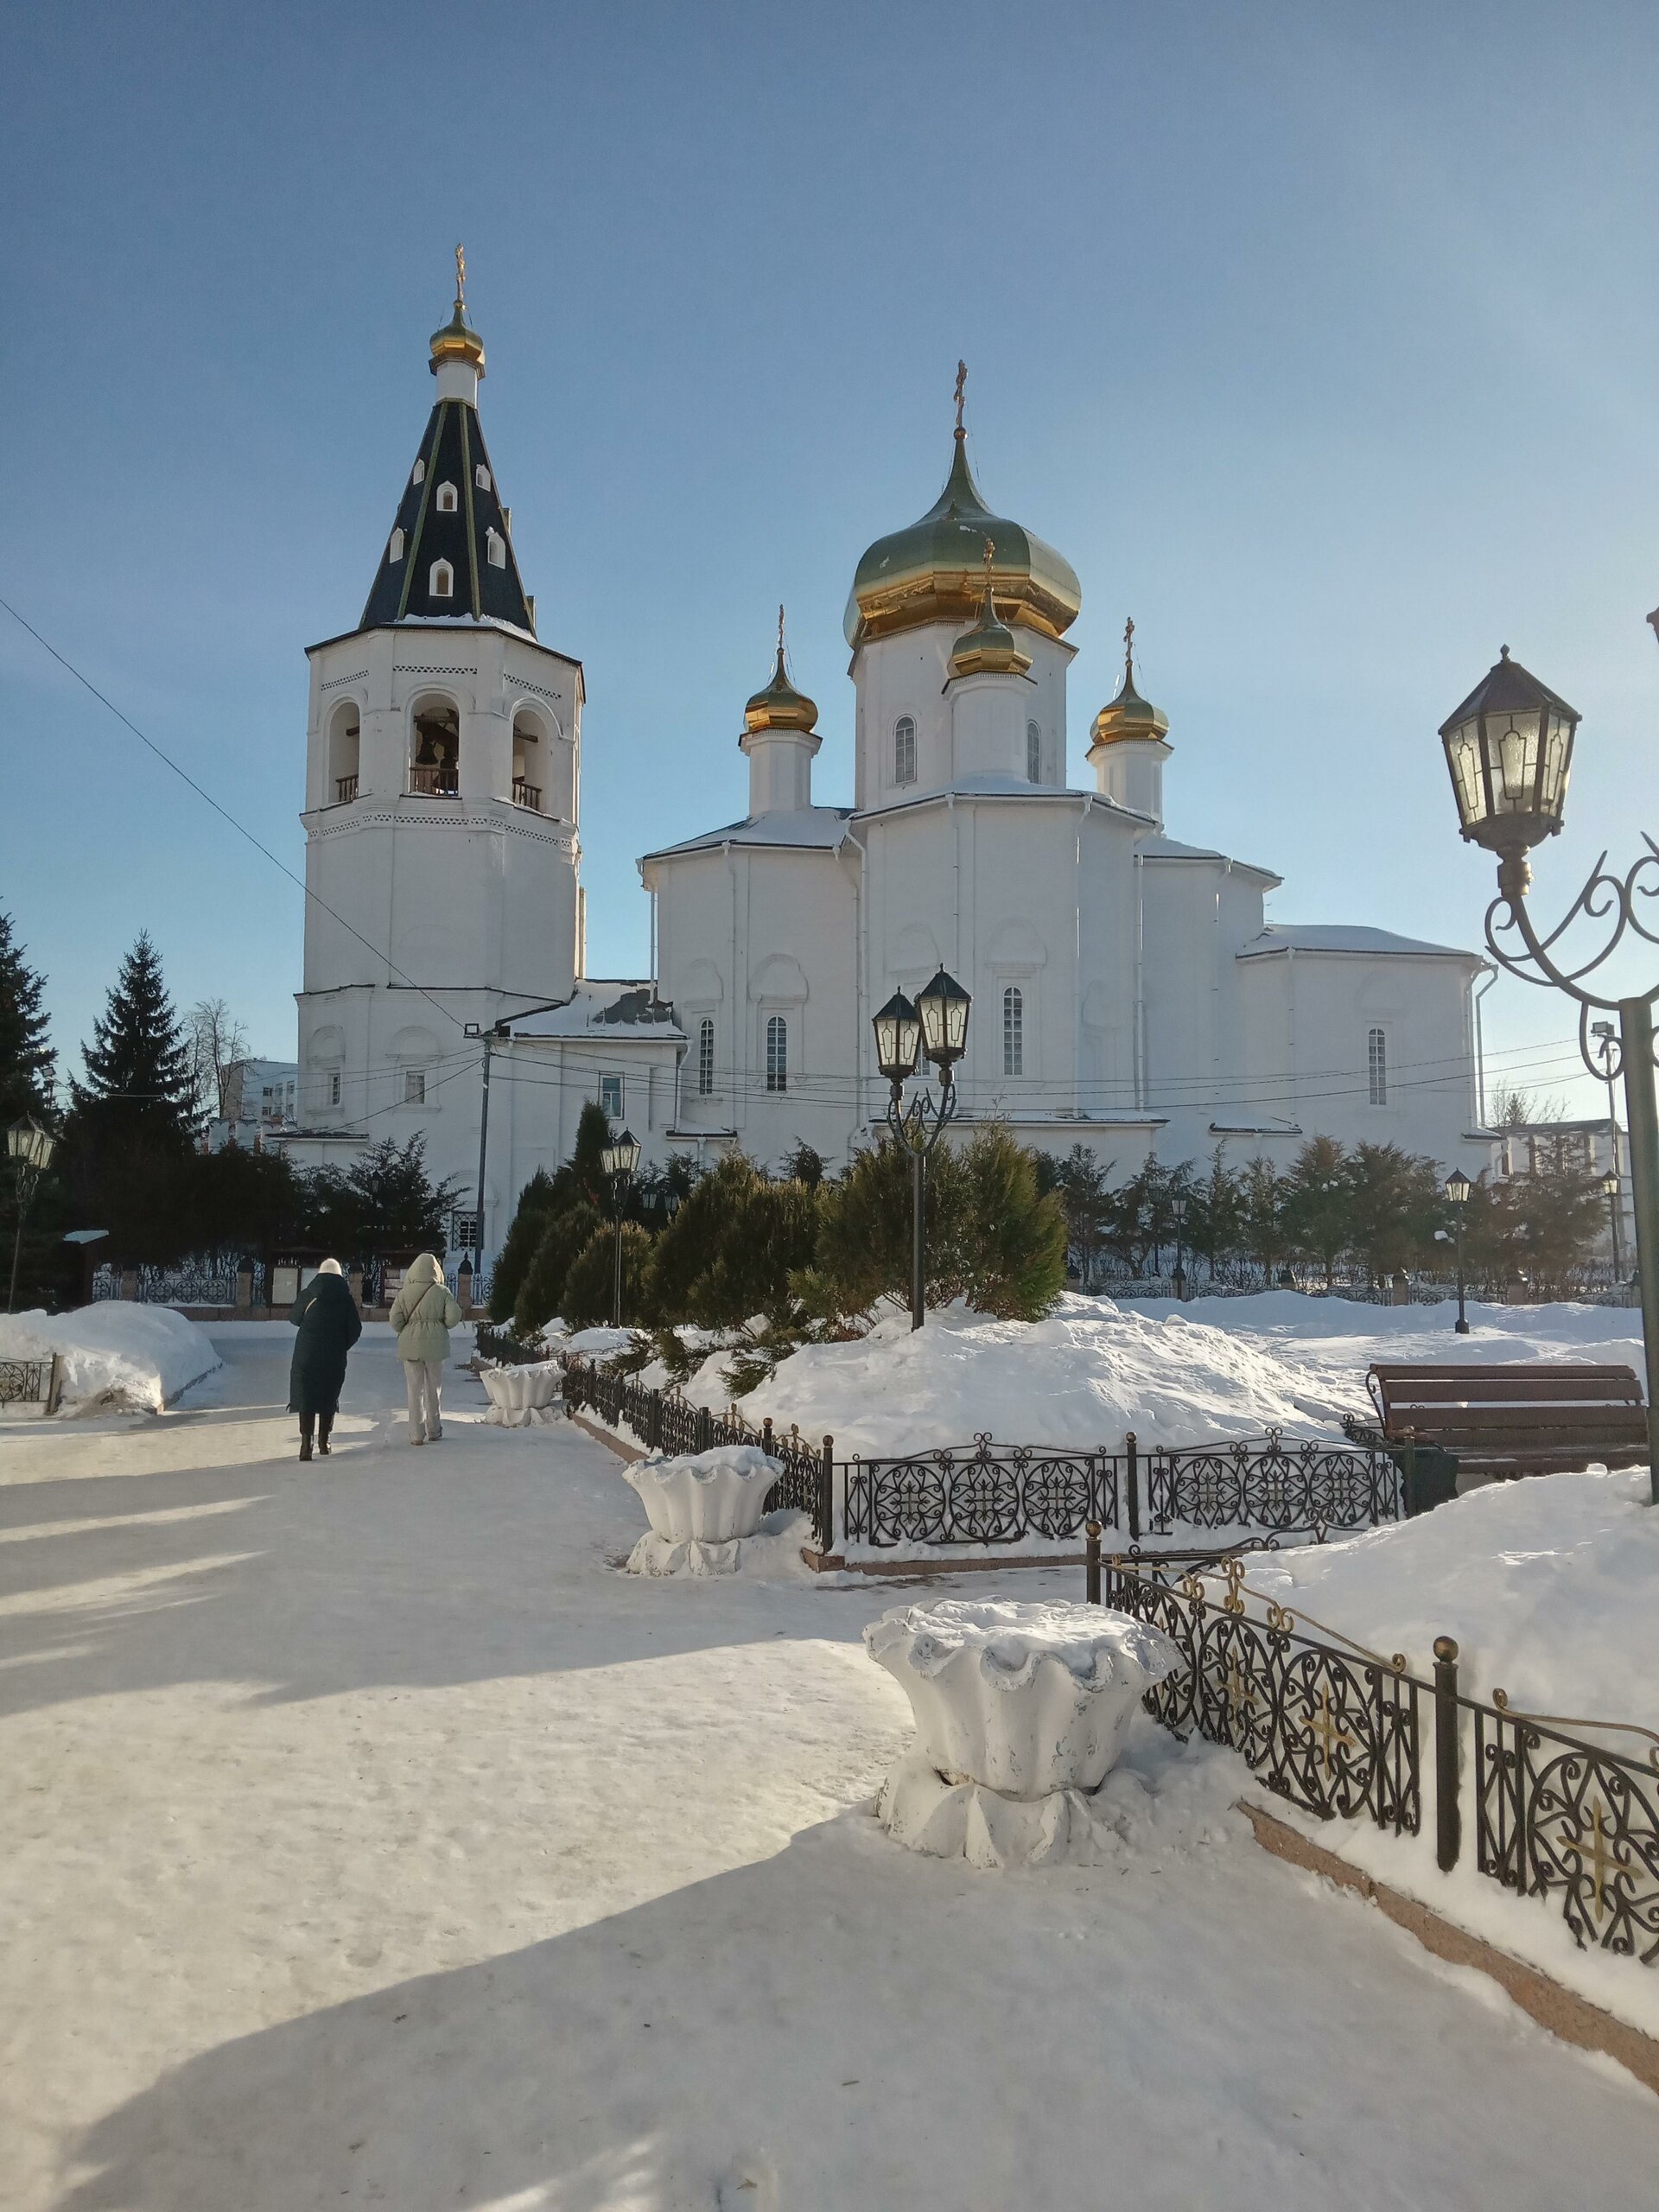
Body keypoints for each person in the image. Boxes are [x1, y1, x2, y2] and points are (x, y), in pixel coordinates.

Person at [287, 1258, 362, 1462]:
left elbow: (294, 1318)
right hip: (334, 1354)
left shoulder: (309, 1293)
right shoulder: (345, 1299)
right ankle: (325, 1442)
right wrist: (340, 1345)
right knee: (329, 1394)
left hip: (306, 1352)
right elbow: (355, 1329)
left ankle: (306, 1445)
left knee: (306, 1395)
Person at [388, 1251, 463, 1446]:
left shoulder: (404, 1293)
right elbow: (454, 1317)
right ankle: (434, 1429)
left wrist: (409, 1329)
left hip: (411, 1347)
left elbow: (395, 1321)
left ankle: (416, 1434)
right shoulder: (442, 1291)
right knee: (433, 1389)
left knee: (414, 1390)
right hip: (436, 1346)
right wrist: (440, 1325)